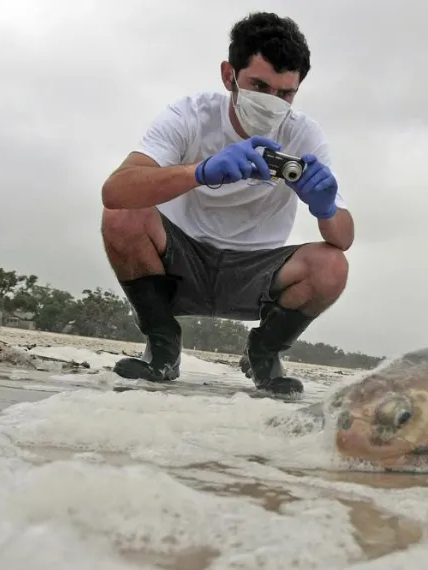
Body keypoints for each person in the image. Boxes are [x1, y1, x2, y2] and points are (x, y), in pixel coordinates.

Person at [99, 12, 353, 395]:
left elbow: (343, 238)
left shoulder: (304, 134)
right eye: (259, 86)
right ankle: (162, 345)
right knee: (123, 216)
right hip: (180, 260)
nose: (272, 103)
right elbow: (115, 191)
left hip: (256, 273)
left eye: (286, 93)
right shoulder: (190, 115)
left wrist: (327, 207)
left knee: (332, 264)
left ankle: (264, 353)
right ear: (228, 75)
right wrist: (199, 172)